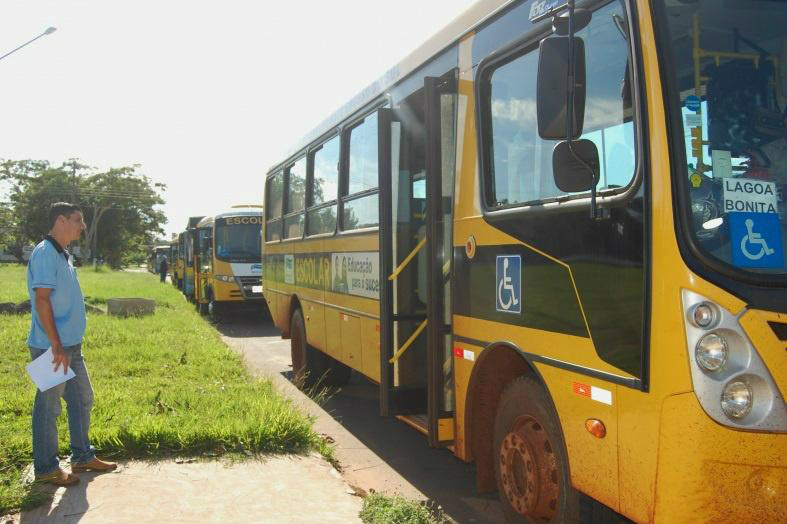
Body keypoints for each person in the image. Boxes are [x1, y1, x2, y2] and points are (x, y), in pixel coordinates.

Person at [27, 202, 117, 487]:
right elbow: (42, 300)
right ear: (61, 220)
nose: (83, 225)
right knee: (48, 406)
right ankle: (46, 468)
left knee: (81, 399)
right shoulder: (44, 252)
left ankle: (82, 456)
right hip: (52, 346)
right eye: (78, 220)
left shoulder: (62, 254)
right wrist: (56, 345)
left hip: (70, 346)